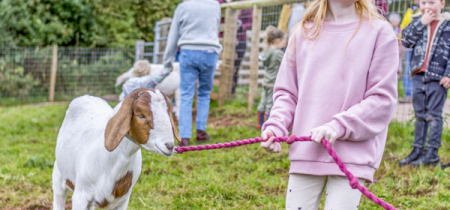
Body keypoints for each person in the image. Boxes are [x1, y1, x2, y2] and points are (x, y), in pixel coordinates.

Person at [259, 0, 398, 208]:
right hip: (306, 153)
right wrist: (276, 124)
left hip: (352, 158)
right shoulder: (303, 33)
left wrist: (338, 126)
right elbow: (288, 93)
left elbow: (382, 100)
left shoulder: (380, 32)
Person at [163, 0, 221, 146]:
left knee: (186, 94)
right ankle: (201, 131)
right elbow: (214, 27)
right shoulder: (215, 5)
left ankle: (184, 136)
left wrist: (167, 61)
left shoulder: (183, 7)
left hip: (188, 52)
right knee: (204, 92)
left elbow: (173, 35)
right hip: (210, 52)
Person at [399, 0, 450, 167]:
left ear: (442, 4)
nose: (426, 6)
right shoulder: (417, 21)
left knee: (433, 116)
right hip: (418, 75)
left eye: (431, 2)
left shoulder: (447, 24)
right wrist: (421, 23)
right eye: (423, 2)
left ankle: (432, 155)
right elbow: (405, 40)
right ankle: (417, 150)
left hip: (437, 77)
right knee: (420, 115)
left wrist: (448, 74)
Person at [257, 26, 286, 130]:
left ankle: (260, 123)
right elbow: (286, 63)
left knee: (263, 102)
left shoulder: (266, 51)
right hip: (273, 82)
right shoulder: (278, 53)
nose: (284, 44)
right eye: (283, 41)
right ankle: (267, 125)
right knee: (270, 104)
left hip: (265, 81)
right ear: (278, 40)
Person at [399, 0, 421, 103]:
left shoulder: (427, 9)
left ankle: (419, 95)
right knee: (408, 69)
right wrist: (401, 39)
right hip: (410, 45)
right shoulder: (410, 11)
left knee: (420, 70)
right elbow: (403, 26)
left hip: (422, 45)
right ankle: (408, 95)